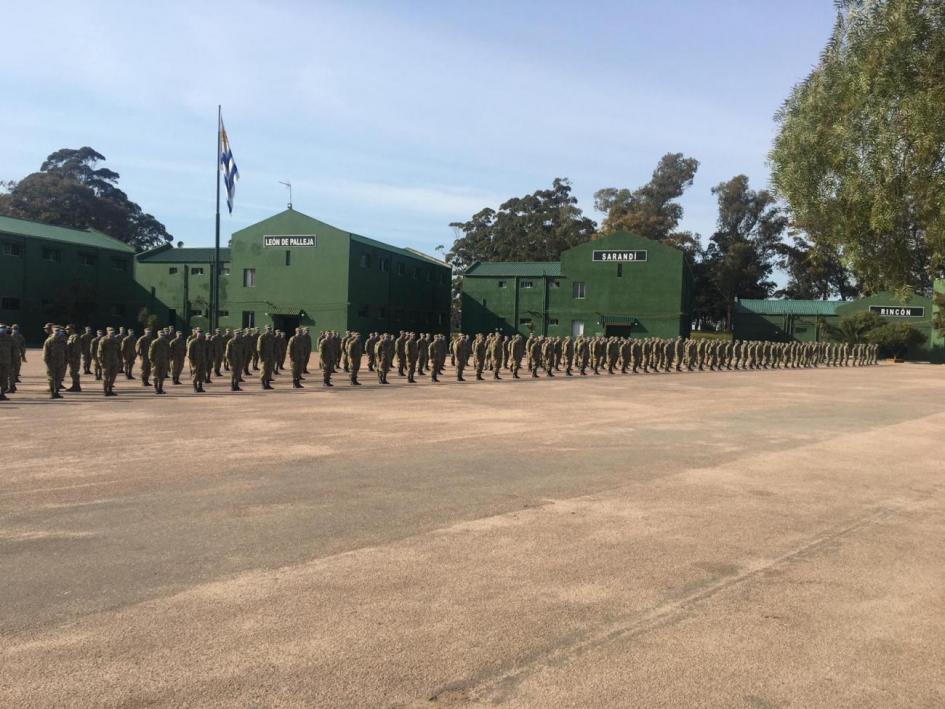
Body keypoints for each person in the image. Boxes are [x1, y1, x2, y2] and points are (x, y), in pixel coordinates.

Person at [42, 324, 67, 399]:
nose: (57, 332)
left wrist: (66, 360)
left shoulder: (63, 341)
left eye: (58, 331)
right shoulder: (49, 341)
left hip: (61, 362)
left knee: (59, 377)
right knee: (51, 377)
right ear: (53, 331)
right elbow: (45, 352)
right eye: (56, 331)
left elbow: (66, 351)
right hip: (51, 362)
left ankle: (57, 392)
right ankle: (52, 392)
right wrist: (47, 362)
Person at [99, 328, 121, 396]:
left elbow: (119, 351)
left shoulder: (116, 340)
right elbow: (99, 351)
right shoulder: (103, 340)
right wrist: (100, 361)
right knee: (106, 376)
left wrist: (120, 360)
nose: (112, 335)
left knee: (113, 376)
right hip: (106, 361)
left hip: (114, 361)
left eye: (113, 333)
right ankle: (105, 391)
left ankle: (110, 390)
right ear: (107, 333)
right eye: (110, 333)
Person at [149, 330, 170, 394]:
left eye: (163, 335)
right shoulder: (155, 342)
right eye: (161, 335)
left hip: (164, 361)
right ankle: (156, 388)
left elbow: (168, 351)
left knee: (162, 375)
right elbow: (151, 352)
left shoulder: (166, 342)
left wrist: (168, 359)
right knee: (155, 375)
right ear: (158, 335)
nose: (162, 336)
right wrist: (152, 360)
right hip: (156, 361)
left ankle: (160, 388)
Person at [0, 323, 12, 401]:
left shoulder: (10, 339)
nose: (3, 330)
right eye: (1, 328)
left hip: (6, 362)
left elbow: (14, 350)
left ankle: (2, 394)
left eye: (4, 328)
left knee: (4, 378)